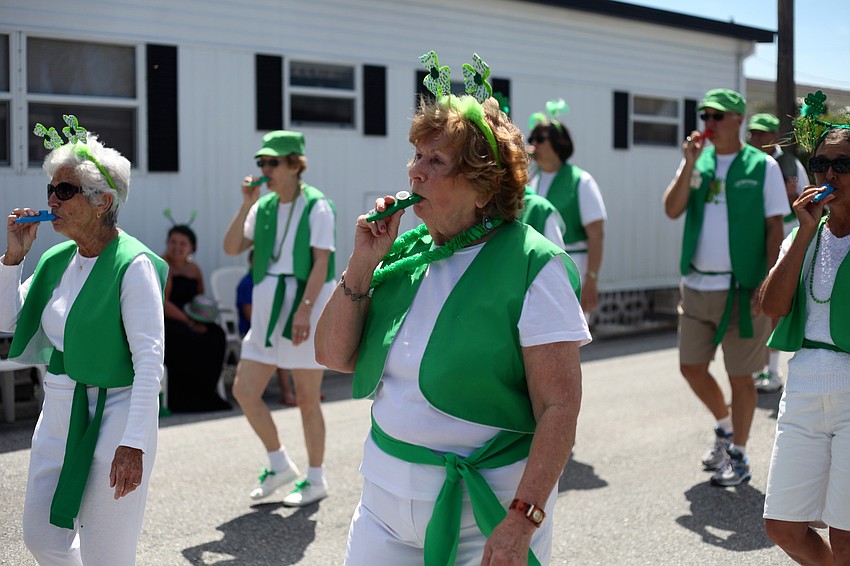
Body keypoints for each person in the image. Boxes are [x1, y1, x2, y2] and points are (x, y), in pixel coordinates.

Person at [315, 51, 589, 565]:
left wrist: (522, 519)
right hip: (383, 505)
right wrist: (362, 264)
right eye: (416, 156)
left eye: (435, 161)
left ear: (484, 186)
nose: (414, 172)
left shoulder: (534, 264)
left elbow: (559, 407)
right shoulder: (402, 252)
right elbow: (332, 355)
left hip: (487, 515)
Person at [0, 116, 168, 564]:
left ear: (102, 202)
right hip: (58, 407)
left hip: (116, 410)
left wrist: (135, 442)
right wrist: (13, 258)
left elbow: (149, 360)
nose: (51, 200)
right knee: (42, 538)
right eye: (51, 189)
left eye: (65, 190)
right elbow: (9, 322)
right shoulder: (57, 259)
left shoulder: (133, 264)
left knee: (107, 555)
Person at [662, 88, 790, 487]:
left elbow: (774, 227)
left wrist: (768, 281)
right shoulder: (697, 160)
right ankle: (725, 427)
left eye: (718, 116)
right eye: (706, 116)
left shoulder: (763, 166)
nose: (709, 123)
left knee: (741, 376)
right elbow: (671, 209)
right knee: (691, 367)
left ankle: (740, 455)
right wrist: (688, 164)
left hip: (743, 288)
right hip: (696, 284)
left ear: (738, 119)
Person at [223, 130, 336, 507]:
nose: (265, 169)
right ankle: (280, 464)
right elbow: (232, 247)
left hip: (304, 305)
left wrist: (305, 310)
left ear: (294, 165)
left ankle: (316, 478)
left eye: (272, 162)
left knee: (307, 398)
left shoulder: (317, 205)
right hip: (267, 306)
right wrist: (246, 204)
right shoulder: (264, 205)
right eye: (262, 162)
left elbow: (321, 262)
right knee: (244, 390)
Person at [760, 94, 850, 564]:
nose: (829, 174)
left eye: (842, 165)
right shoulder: (803, 232)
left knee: (846, 536)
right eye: (819, 164)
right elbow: (773, 307)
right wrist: (806, 233)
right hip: (804, 386)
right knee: (783, 525)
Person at [747, 113, 810, 394]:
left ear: (775, 136)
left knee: (772, 301)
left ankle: (772, 369)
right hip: (754, 241)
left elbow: (806, 200)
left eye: (762, 133)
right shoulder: (747, 163)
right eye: (753, 132)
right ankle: (756, 366)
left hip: (783, 239)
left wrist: (789, 195)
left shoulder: (790, 164)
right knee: (753, 302)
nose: (756, 138)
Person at [527, 103, 606, 315]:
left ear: (558, 143)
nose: (533, 144)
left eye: (540, 139)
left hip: (572, 267)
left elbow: (596, 235)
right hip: (537, 271)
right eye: (531, 139)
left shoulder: (581, 181)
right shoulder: (531, 181)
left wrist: (591, 279)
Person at [162, 223, 230, 413]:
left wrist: (201, 321)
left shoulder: (194, 269)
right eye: (173, 242)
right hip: (170, 320)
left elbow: (199, 299)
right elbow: (162, 302)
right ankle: (182, 398)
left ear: (192, 247)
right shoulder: (163, 265)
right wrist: (189, 322)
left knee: (216, 334)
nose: (177, 247)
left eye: (182, 243)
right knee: (185, 337)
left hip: (192, 318)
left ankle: (206, 392)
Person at [236, 250, 297, 406]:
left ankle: (306, 390)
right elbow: (250, 315)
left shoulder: (274, 281)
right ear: (250, 262)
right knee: (280, 345)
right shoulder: (247, 283)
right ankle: (288, 393)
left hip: (272, 327)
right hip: (254, 329)